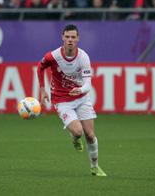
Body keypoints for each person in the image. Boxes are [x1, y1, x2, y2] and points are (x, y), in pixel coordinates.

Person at [37, 24, 107, 176]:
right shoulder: (53, 56)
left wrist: (80, 90)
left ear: (78, 39)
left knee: (90, 135)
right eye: (67, 37)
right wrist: (42, 89)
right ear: (62, 37)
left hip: (81, 98)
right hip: (62, 100)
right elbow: (40, 66)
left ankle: (95, 166)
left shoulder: (83, 57)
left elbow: (88, 83)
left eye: (73, 37)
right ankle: (75, 138)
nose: (70, 40)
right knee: (78, 132)